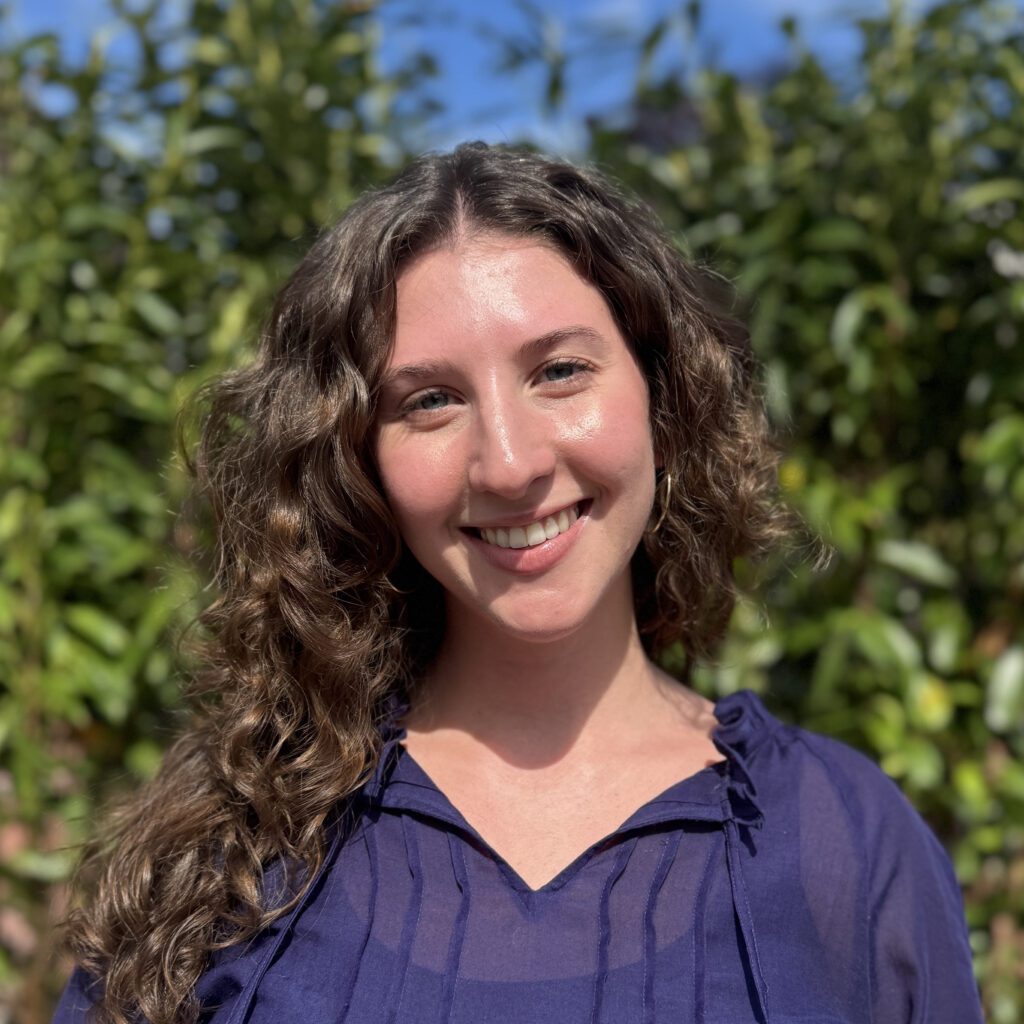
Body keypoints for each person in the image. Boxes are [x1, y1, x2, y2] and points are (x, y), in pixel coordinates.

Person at [54, 142, 982, 1024]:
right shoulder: (229, 850)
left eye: (560, 371)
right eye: (430, 400)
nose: (507, 463)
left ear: (662, 397)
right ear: (357, 461)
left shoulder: (846, 843)